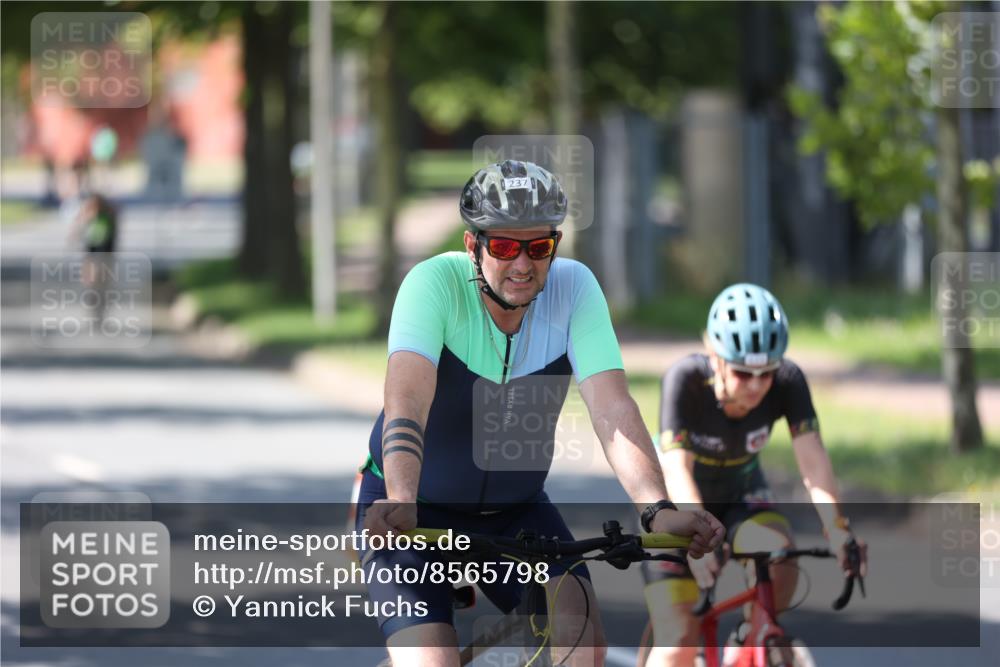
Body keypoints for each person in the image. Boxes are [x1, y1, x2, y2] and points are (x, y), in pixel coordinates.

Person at [355, 160, 725, 667]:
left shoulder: (574, 289)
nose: (523, 264)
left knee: (582, 640)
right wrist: (400, 498)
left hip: (516, 513)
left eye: (539, 247)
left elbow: (613, 408)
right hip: (415, 513)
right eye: (504, 247)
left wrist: (657, 507)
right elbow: (407, 402)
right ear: (472, 245)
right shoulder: (432, 284)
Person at [641, 283, 868, 667]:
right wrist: (697, 536)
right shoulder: (685, 380)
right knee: (678, 642)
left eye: (767, 372)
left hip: (742, 497)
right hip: (680, 508)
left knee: (779, 554)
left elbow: (813, 460)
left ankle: (751, 637)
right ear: (714, 357)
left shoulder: (789, 380)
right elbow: (678, 467)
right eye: (744, 372)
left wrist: (838, 528)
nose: (758, 385)